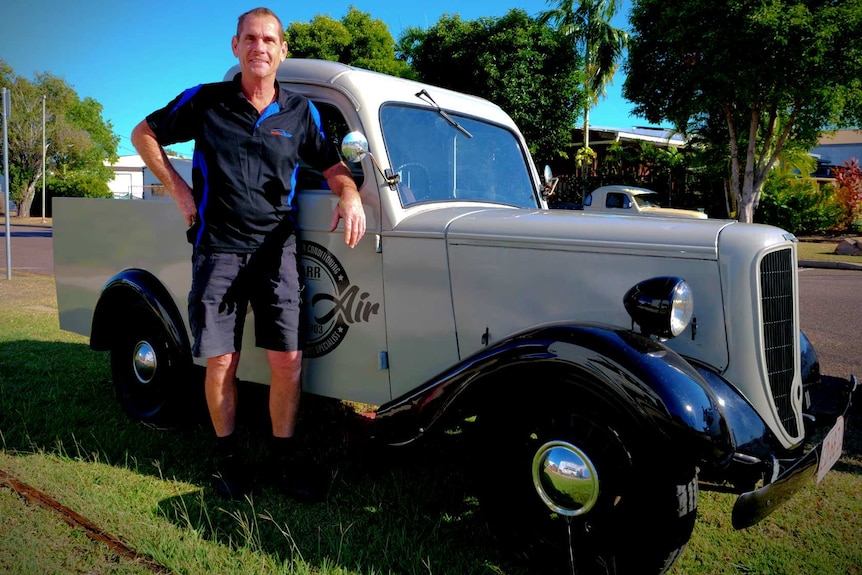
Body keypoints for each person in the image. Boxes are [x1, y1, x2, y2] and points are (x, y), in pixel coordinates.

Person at [131, 6, 366, 501]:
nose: (260, 47)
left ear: (282, 51)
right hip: (217, 250)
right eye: (250, 39)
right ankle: (229, 460)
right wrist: (178, 190)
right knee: (221, 362)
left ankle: (284, 460)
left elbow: (333, 166)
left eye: (269, 40)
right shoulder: (207, 102)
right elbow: (143, 133)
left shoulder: (301, 113)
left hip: (278, 251)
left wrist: (348, 195)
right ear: (235, 47)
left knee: (289, 360)